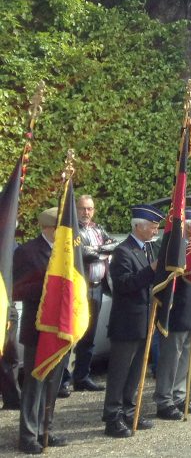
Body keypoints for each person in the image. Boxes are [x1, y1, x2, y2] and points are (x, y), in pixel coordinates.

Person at [102, 204, 163, 439]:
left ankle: (129, 410)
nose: (155, 230)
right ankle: (112, 416)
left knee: (136, 371)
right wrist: (152, 270)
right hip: (127, 322)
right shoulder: (123, 252)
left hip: (144, 320)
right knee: (119, 372)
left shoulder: (146, 249)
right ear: (139, 226)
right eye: (152, 226)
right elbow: (125, 284)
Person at [13, 207, 70, 454]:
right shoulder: (28, 252)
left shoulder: (67, 252)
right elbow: (18, 289)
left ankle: (46, 429)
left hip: (61, 326)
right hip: (38, 327)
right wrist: (49, 286)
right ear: (49, 228)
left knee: (53, 384)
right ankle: (28, 435)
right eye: (61, 228)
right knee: (35, 384)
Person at [58, 194, 115, 397]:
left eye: (90, 209)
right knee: (71, 333)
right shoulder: (73, 231)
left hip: (98, 287)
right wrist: (100, 251)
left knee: (89, 335)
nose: (86, 212)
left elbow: (113, 244)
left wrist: (97, 250)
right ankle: (63, 381)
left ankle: (82, 377)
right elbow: (83, 254)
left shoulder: (98, 229)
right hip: (79, 288)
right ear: (76, 209)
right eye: (83, 208)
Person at [153, 216, 191, 422]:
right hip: (177, 307)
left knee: (186, 357)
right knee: (171, 356)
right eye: (190, 227)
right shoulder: (173, 246)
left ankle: (179, 396)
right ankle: (164, 400)